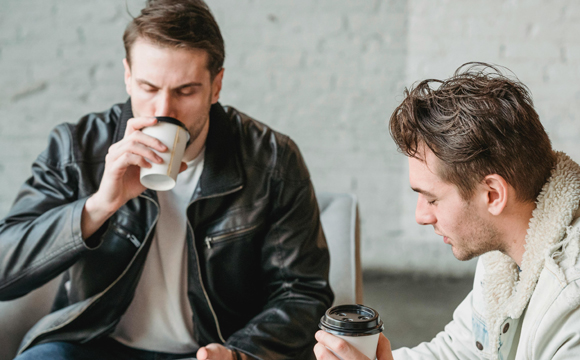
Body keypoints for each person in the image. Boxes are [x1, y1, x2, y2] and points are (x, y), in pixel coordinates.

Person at [0, 0, 334, 359]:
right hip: (90, 342)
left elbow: (302, 292)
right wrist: (99, 206)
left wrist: (239, 353)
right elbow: (5, 271)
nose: (163, 111)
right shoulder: (77, 147)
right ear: (127, 75)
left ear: (216, 86)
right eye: (148, 87)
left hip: (212, 350)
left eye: (185, 91)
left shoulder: (272, 159)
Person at [314, 63, 580, 360]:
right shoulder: (504, 253)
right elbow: (459, 351)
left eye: (432, 199)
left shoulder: (572, 299)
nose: (421, 216)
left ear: (493, 195)